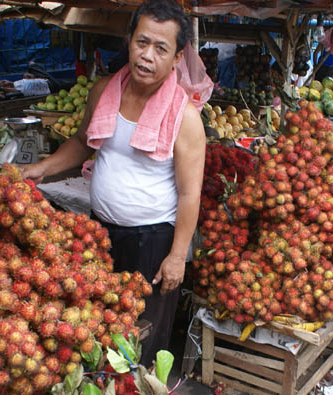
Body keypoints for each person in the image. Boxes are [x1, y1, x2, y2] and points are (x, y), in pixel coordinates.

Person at [21, 0, 206, 364]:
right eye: (142, 42)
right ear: (129, 40)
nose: (147, 56)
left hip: (152, 243)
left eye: (160, 48)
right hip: (101, 235)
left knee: (141, 343)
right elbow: (80, 144)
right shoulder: (104, 91)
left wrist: (176, 257)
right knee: (97, 332)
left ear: (177, 57)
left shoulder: (185, 118)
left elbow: (190, 193)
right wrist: (41, 169)